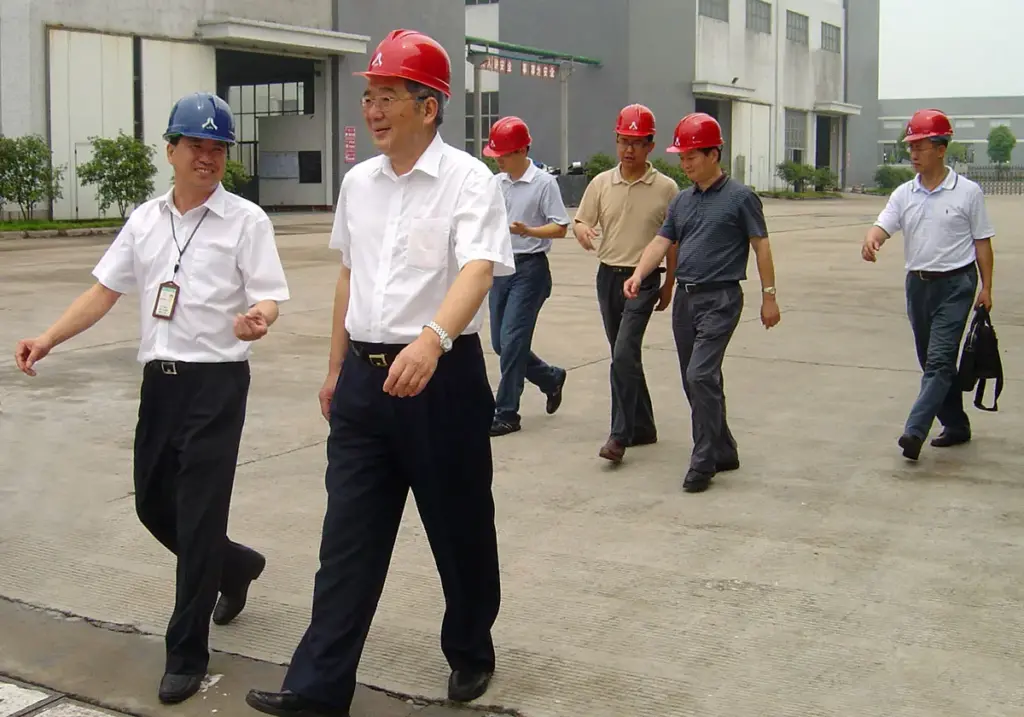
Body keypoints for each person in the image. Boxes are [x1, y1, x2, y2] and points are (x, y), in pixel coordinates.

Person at [244, 29, 515, 717]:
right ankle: (316, 687)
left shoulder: (469, 180)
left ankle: (470, 649)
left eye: (387, 96)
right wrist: (336, 368)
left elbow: (479, 269)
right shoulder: (359, 184)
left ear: (428, 106)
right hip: (365, 386)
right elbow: (350, 274)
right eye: (369, 97)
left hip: (441, 380)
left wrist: (432, 340)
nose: (372, 110)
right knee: (347, 539)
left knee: (459, 527)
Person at [13, 91, 290, 703]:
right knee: (153, 507)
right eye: (196, 145)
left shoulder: (246, 220)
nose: (207, 157)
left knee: (199, 516)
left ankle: (186, 653)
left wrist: (259, 318)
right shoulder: (144, 220)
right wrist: (49, 338)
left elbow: (268, 295)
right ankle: (236, 565)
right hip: (160, 386)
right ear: (170, 150)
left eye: (218, 148)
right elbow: (103, 292)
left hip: (217, 383)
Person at [625, 112, 781, 493]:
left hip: (721, 298)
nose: (685, 164)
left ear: (714, 154)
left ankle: (704, 459)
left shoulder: (741, 198)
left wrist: (769, 297)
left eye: (691, 156)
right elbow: (661, 242)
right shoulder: (682, 201)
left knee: (700, 375)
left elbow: (761, 246)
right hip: (686, 299)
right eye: (682, 157)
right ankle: (724, 448)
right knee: (695, 378)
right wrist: (639, 274)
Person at [862, 108, 995, 460]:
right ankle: (957, 425)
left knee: (938, 360)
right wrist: (872, 239)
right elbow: (884, 224)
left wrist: (986, 287)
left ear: (941, 148)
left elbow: (982, 242)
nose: (914, 154)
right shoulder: (904, 193)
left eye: (920, 146)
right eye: (911, 147)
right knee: (932, 361)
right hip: (918, 286)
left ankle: (915, 430)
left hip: (957, 285)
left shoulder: (967, 192)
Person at [572, 103, 680, 464]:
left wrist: (669, 284)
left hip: (644, 280)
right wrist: (582, 230)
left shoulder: (666, 189)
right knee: (625, 356)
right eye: (623, 141)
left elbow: (673, 241)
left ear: (650, 146)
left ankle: (619, 436)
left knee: (622, 355)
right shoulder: (602, 183)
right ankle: (644, 426)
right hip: (608, 277)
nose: (628, 149)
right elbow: (580, 221)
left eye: (636, 143)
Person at [482, 115, 571, 436]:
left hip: (530, 269)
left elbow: (560, 226)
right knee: (500, 343)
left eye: (503, 154)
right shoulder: (496, 183)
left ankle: (507, 412)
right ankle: (550, 377)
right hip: (500, 268)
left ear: (521, 150)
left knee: (512, 341)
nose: (498, 160)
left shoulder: (543, 183)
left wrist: (529, 230)